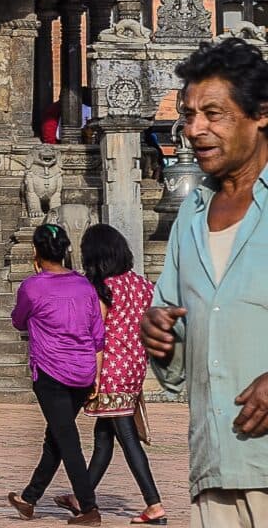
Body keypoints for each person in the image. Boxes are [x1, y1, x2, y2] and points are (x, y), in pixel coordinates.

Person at [145, 35, 268, 526]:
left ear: (261, 113)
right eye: (188, 115)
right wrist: (159, 336)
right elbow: (176, 366)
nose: (194, 130)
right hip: (215, 468)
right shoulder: (191, 222)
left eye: (213, 114)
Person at [54, 222, 166, 524]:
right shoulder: (144, 286)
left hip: (110, 372)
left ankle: (154, 503)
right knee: (104, 437)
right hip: (133, 369)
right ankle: (83, 495)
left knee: (127, 437)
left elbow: (96, 335)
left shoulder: (102, 290)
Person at [10, 220, 103, 523]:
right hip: (82, 372)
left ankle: (88, 507)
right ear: (65, 250)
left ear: (35, 252)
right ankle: (29, 497)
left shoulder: (32, 287)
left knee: (66, 438)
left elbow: (19, 321)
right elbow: (97, 333)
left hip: (51, 372)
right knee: (57, 436)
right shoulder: (84, 286)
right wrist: (97, 376)